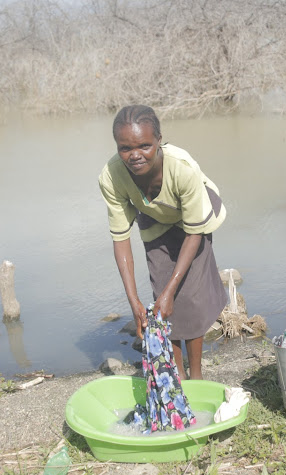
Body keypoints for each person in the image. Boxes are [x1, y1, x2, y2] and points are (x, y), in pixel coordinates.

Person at [98, 105, 228, 380]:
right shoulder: (111, 177)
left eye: (144, 145)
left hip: (194, 220)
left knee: (189, 294)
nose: (135, 155)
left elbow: (194, 233)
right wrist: (134, 301)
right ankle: (177, 375)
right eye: (125, 148)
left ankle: (197, 376)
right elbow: (120, 239)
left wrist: (173, 291)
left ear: (159, 140)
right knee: (161, 297)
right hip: (155, 216)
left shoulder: (182, 169)